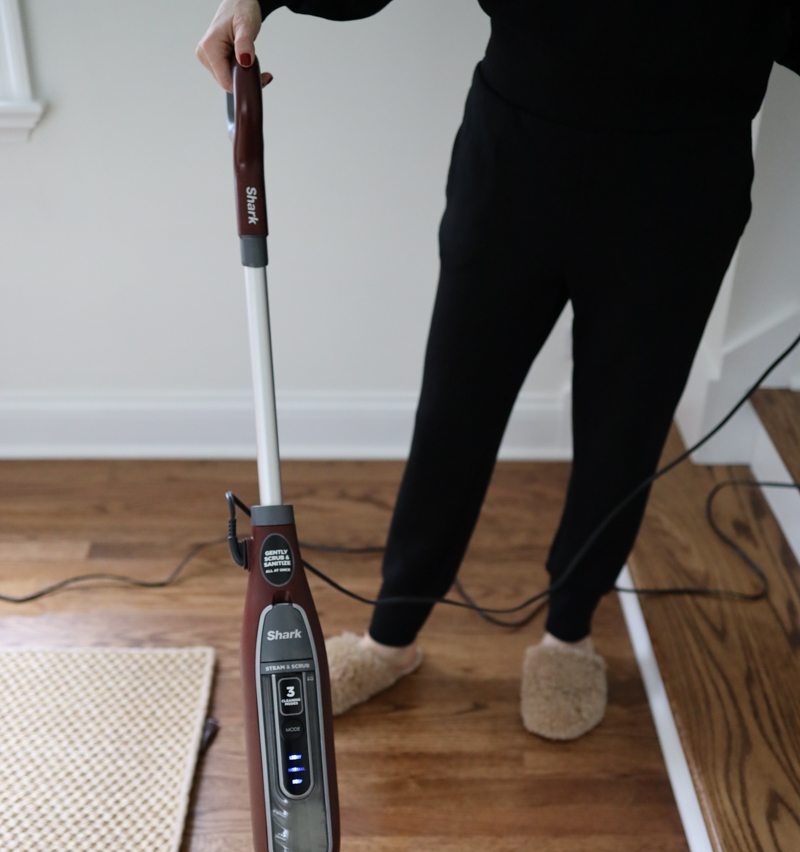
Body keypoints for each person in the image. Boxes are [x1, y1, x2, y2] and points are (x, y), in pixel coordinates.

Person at [199, 0, 800, 739]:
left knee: (627, 423)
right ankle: (392, 635)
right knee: (456, 407)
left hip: (685, 179)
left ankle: (569, 634)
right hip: (518, 151)